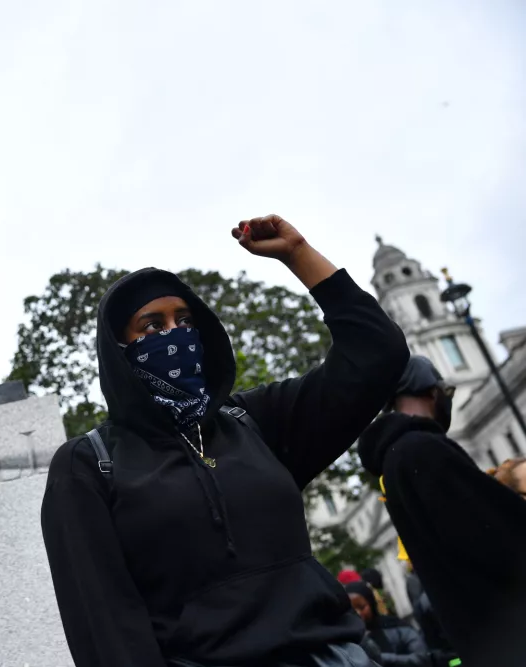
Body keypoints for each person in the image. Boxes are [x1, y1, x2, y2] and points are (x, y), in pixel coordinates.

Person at [41, 214, 410, 666]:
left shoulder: (255, 421)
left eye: (185, 320)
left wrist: (299, 255)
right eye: (151, 327)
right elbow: (105, 627)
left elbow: (378, 354)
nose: (175, 335)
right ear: (119, 351)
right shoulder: (89, 464)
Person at [358, 355, 526, 666]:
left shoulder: (398, 459)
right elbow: (498, 539)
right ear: (432, 392)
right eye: (445, 393)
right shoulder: (423, 450)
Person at [346, 582, 429, 666]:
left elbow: (422, 658)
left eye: (362, 607)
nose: (358, 613)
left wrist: (380, 658)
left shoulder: (396, 627)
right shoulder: (350, 640)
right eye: (352, 610)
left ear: (371, 603)